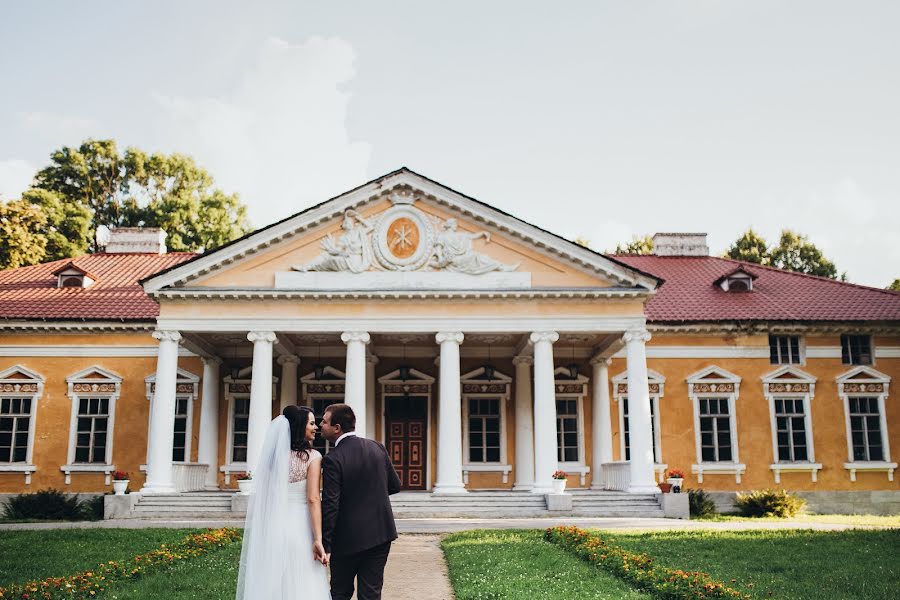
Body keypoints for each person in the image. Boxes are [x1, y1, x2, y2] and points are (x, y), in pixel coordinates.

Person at [235, 405, 331, 599]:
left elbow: (268, 496)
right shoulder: (313, 457)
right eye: (311, 423)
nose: (316, 427)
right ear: (299, 426)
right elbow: (313, 499)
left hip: (275, 524)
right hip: (300, 527)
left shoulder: (273, 459)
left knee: (277, 578)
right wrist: (318, 539)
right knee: (304, 578)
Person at [319, 403, 402, 600]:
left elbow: (331, 504)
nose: (320, 424)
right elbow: (395, 485)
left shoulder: (333, 459)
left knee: (340, 592)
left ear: (337, 428)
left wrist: (326, 543)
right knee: (371, 593)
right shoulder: (377, 447)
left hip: (347, 538)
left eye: (324, 421)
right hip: (381, 534)